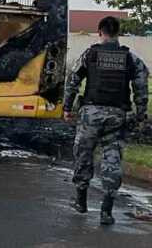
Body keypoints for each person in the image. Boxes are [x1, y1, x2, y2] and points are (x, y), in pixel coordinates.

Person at [63, 16, 149, 225]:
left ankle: (81, 202)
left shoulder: (90, 54)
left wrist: (67, 107)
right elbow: (141, 87)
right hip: (117, 116)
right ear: (118, 33)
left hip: (90, 115)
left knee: (83, 155)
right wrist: (140, 113)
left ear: (100, 32)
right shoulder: (131, 59)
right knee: (113, 160)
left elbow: (72, 80)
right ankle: (106, 212)